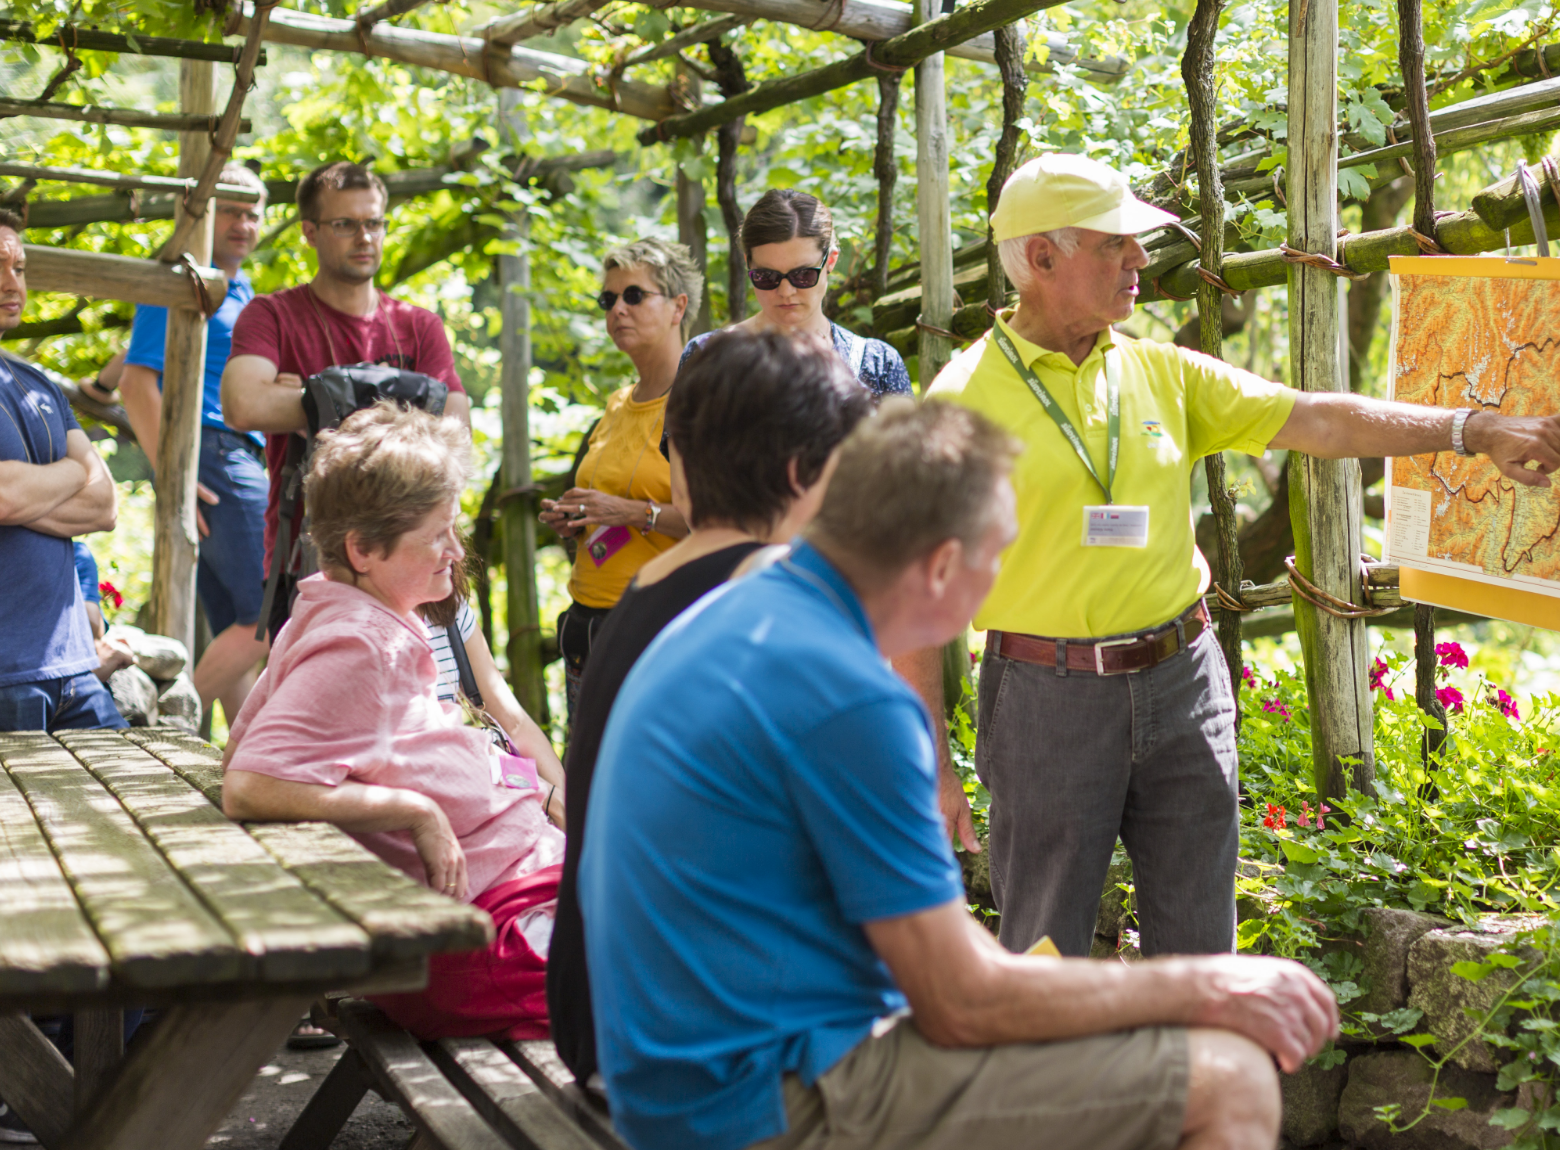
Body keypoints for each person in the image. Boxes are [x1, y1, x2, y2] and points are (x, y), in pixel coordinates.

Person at [580, 399, 1338, 1150]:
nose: (1010, 574)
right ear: (943, 564)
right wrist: (1209, 984)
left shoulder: (751, 605)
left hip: (680, 1080)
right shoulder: (849, 696)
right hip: (752, 1107)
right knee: (1229, 1074)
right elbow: (962, 1004)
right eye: (1003, 551)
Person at [913, 152, 1560, 959]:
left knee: (1202, 951)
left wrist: (1474, 429)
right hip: (1047, 701)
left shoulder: (1162, 372)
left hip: (1184, 683)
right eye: (1116, 243)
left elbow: (1321, 421)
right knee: (1044, 955)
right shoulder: (960, 400)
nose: (1141, 260)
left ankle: (1194, 1087)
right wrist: (932, 761)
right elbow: (913, 600)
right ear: (1042, 258)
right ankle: (1051, 1089)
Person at [548, 329, 872, 1085]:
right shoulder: (766, 611)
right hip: (683, 1040)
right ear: (805, 475)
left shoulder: (643, 593)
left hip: (596, 1007)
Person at [222, 403, 565, 1040]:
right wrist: (415, 811)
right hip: (490, 937)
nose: (455, 550)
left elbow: (248, 742)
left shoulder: (338, 614)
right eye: (438, 535)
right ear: (363, 549)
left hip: (509, 902)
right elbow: (247, 782)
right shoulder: (358, 642)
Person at [220, 160, 472, 638]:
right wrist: (405, 400)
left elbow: (457, 428)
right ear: (310, 232)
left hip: (415, 563)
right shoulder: (271, 315)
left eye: (374, 222)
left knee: (423, 709)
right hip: (309, 562)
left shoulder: (418, 325)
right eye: (346, 224)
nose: (365, 237)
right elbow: (243, 404)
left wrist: (313, 398)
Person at [94, 164, 270, 723]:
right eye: (232, 211)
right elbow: (138, 379)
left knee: (239, 629)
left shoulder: (236, 287)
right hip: (216, 456)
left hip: (236, 453)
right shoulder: (178, 278)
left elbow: (122, 365)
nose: (245, 223)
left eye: (254, 212)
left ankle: (238, 758)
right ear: (205, 215)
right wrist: (177, 473)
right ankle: (165, 725)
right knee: (272, 616)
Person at [536, 239, 698, 719]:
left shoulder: (699, 399)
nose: (618, 310)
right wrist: (577, 518)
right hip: (587, 627)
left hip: (658, 626)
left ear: (678, 306)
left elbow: (719, 523)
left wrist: (630, 513)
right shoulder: (617, 403)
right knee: (588, 785)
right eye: (608, 300)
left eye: (634, 295)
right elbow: (607, 507)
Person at [0, 208, 122, 733]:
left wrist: (26, 493)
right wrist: (74, 470)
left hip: (76, 670)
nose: (12, 283)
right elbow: (4, 496)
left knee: (131, 808)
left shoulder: (39, 385)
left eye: (20, 268)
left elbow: (106, 504)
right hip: (7, 676)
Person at [679, 188, 911, 400]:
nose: (786, 291)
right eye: (767, 277)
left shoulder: (878, 364)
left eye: (803, 275)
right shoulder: (706, 356)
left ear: (830, 261)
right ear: (747, 264)